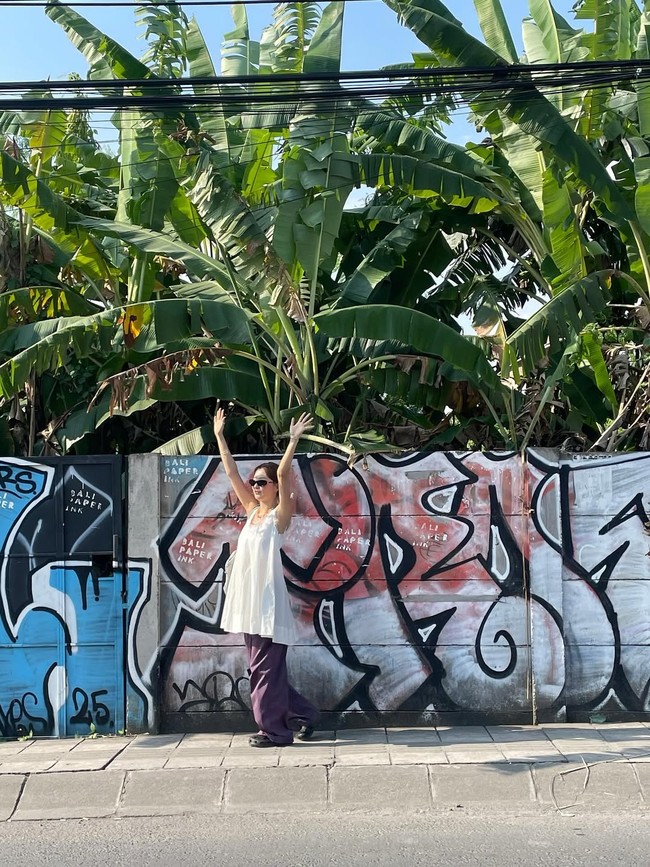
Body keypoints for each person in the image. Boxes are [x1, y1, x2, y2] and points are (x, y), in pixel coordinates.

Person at [213, 407, 320, 748]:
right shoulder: (252, 512)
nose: (256, 487)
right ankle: (304, 714)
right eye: (254, 482)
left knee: (262, 671)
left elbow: (286, 472)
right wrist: (219, 436)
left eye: (262, 482)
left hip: (268, 607)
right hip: (249, 606)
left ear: (274, 487)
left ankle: (274, 731)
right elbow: (230, 473)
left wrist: (293, 440)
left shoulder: (279, 517)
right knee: (265, 671)